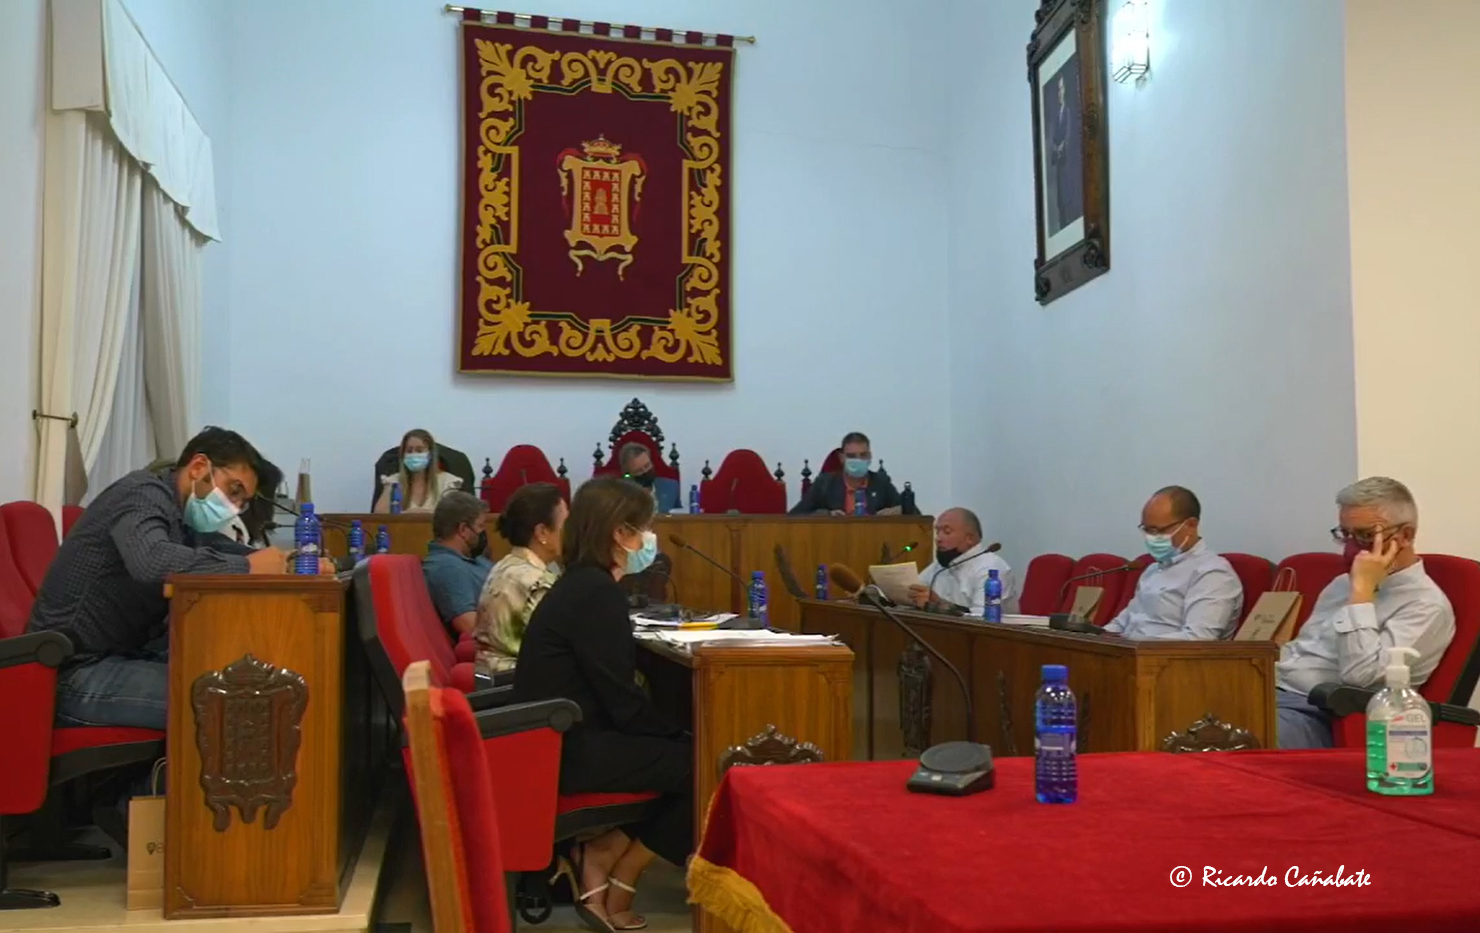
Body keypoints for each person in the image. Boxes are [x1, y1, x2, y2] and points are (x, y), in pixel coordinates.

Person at [27, 427, 311, 731]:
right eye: (234, 490)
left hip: (124, 655)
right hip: (72, 673)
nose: (234, 507)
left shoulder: (181, 515)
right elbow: (151, 561)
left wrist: (294, 563)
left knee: (244, 678)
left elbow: (222, 549)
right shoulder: (141, 493)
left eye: (242, 502)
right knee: (232, 701)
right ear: (199, 467)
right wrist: (247, 566)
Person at [514, 478, 691, 932]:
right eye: (643, 528)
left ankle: (602, 852)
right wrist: (680, 733)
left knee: (689, 750)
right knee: (710, 762)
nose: (647, 539)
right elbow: (622, 702)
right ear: (619, 533)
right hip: (571, 749)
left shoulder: (581, 583)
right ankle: (622, 870)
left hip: (558, 739)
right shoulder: (596, 592)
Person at [1275, 477, 1455, 749]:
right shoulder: (1341, 584)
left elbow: (1361, 678)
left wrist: (1362, 593)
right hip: (1274, 692)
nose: (1351, 548)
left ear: (1405, 536)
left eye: (1366, 536)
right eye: (1345, 534)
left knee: (1225, 739)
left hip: (1323, 714)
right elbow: (1302, 651)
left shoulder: (1425, 605)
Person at [1103, 486, 1242, 640]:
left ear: (1191, 525)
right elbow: (1122, 623)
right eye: (1147, 530)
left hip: (1164, 654)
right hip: (1131, 650)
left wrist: (1131, 642)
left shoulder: (1212, 573)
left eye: (1158, 530)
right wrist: (1096, 636)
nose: (1151, 538)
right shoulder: (1153, 570)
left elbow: (1198, 638)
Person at [475, 482, 567, 673]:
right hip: (524, 681)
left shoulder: (505, 564)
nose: (570, 532)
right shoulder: (536, 582)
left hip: (497, 674)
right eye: (565, 524)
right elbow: (560, 646)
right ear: (542, 532)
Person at [909, 507, 1015, 615]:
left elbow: (984, 618)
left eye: (947, 532)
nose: (938, 538)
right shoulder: (940, 566)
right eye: (937, 532)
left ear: (969, 538)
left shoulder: (991, 568)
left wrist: (940, 605)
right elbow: (916, 589)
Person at [421, 491, 492, 638]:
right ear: (463, 529)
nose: (483, 532)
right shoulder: (446, 567)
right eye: (480, 526)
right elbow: (468, 624)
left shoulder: (473, 559)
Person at [789, 431, 907, 516]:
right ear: (842, 458)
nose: (858, 460)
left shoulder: (881, 482)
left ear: (870, 456)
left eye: (863, 455)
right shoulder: (825, 483)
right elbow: (796, 515)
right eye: (851, 456)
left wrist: (899, 511)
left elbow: (911, 512)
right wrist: (827, 515)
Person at [374, 429, 462, 513]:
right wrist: (409, 514)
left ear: (430, 454)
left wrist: (423, 514)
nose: (414, 454)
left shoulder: (447, 482)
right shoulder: (394, 481)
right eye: (409, 451)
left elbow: (453, 515)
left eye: (419, 450)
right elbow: (379, 514)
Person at [618, 442, 681, 515]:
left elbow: (679, 517)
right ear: (628, 474)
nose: (645, 471)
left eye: (647, 466)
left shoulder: (671, 487)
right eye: (639, 470)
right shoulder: (620, 495)